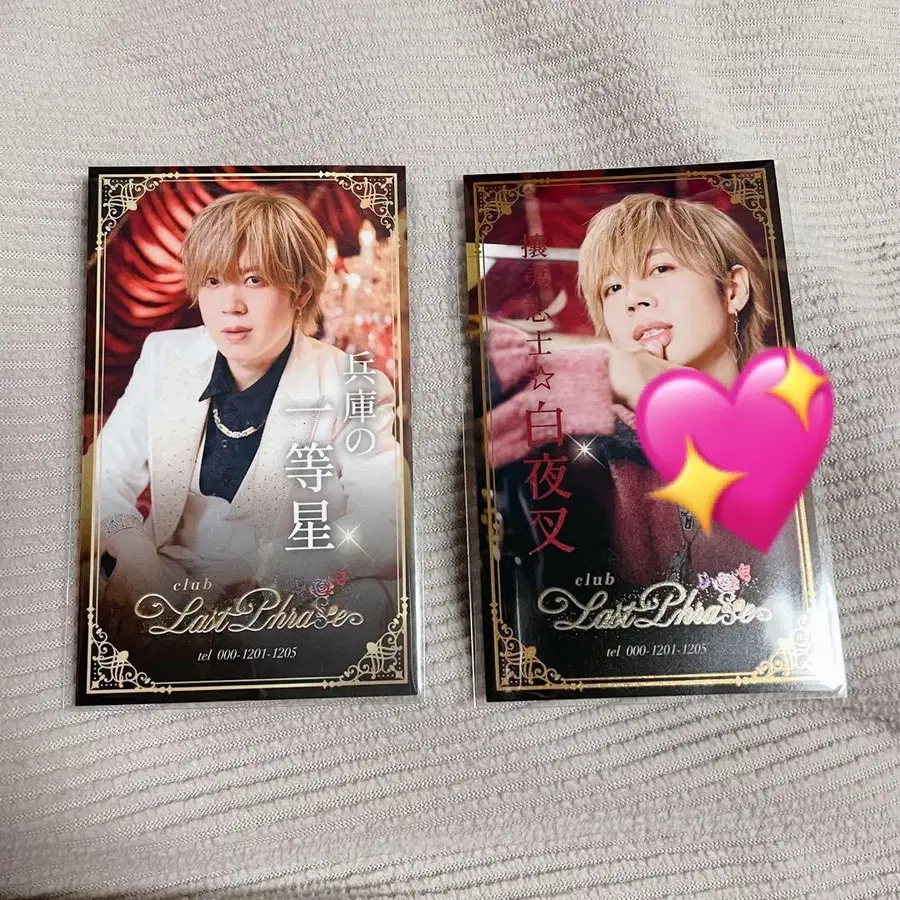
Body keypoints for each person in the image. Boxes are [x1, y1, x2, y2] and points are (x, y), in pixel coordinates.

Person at [91, 190, 402, 626]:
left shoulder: (353, 384)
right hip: (162, 586)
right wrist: (133, 551)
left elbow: (385, 525)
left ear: (301, 290)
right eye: (212, 280)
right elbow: (105, 479)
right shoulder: (164, 356)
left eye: (254, 280)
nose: (230, 306)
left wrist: (261, 570)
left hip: (287, 602)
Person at [485, 192, 798, 590]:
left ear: (733, 290)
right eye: (613, 288)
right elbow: (478, 366)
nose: (632, 300)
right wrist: (611, 371)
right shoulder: (584, 437)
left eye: (661, 268)